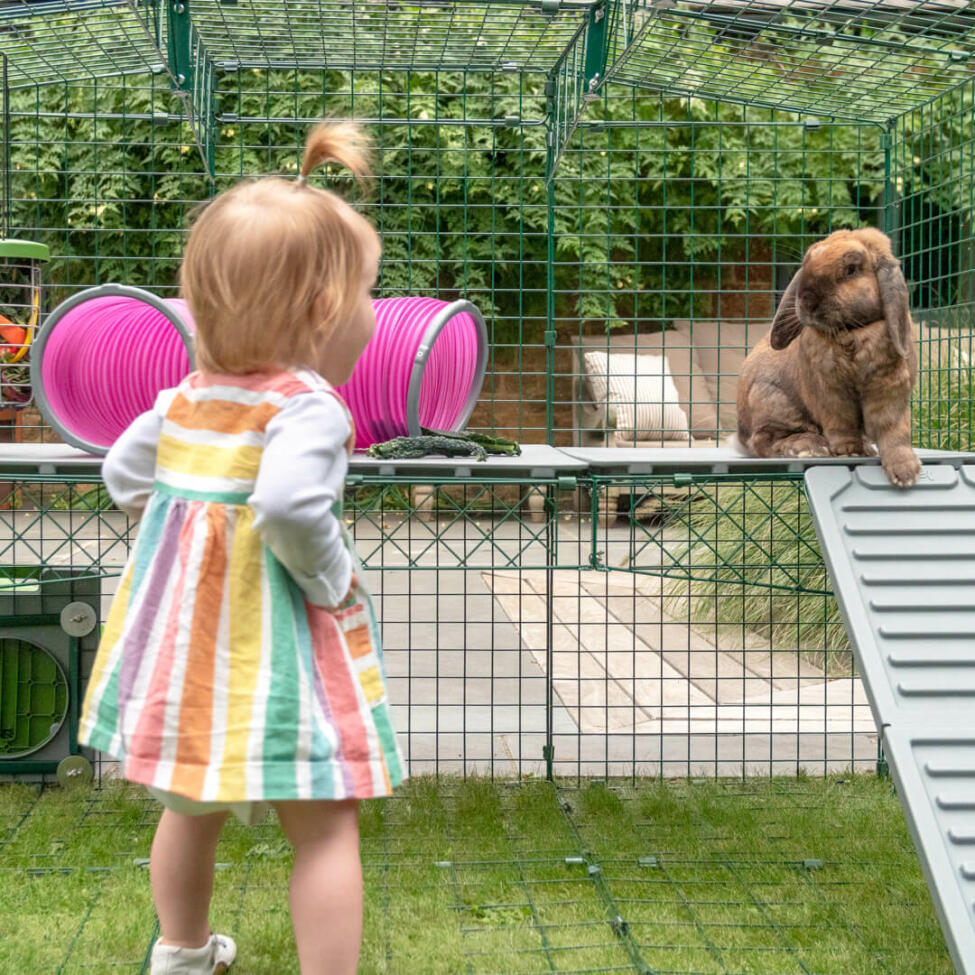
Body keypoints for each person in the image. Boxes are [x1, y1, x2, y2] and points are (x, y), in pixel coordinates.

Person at [77, 121, 406, 975]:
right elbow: (292, 507)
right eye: (370, 291)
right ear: (325, 311)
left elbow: (122, 473)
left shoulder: (187, 395)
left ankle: (182, 952)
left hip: (193, 655)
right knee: (325, 824)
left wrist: (188, 533)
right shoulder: (309, 406)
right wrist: (332, 577)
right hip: (279, 652)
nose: (376, 310)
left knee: (190, 804)